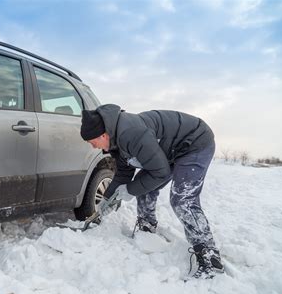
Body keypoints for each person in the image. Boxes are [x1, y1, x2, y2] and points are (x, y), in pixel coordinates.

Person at [80, 103, 224, 279]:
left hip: (194, 142)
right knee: (145, 187)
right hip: (169, 150)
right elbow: (123, 175)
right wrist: (107, 199)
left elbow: (160, 173)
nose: (94, 147)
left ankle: (210, 256)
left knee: (182, 198)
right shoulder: (115, 141)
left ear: (103, 134)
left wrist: (130, 190)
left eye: (93, 143)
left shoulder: (131, 134)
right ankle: (147, 229)